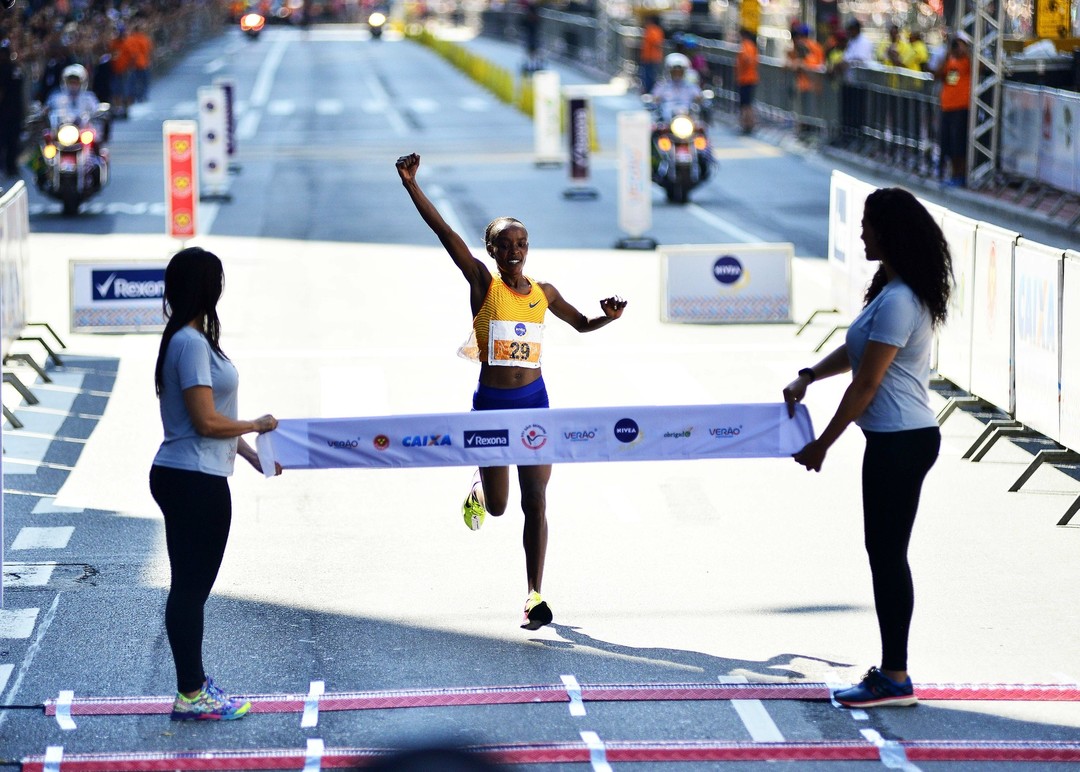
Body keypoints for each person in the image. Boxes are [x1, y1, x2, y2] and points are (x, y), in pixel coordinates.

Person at [395, 152, 627, 630]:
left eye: (522, 242)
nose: (516, 250)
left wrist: (609, 317)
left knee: (536, 500)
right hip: (491, 408)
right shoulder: (484, 284)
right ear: (493, 251)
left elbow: (582, 324)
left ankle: (534, 595)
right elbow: (446, 235)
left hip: (535, 405)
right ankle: (481, 487)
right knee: (500, 508)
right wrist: (412, 186)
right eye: (506, 245)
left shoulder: (545, 292)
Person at [782, 187, 952, 709]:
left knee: (887, 556)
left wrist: (822, 444)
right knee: (884, 553)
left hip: (901, 442)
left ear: (890, 232)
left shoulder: (901, 299)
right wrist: (810, 374)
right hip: (898, 440)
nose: (861, 233)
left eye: (868, 224)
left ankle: (895, 677)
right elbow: (857, 351)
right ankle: (893, 672)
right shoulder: (892, 290)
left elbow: (866, 385)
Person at [150, 246, 282, 721]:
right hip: (192, 478)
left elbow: (209, 419)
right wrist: (256, 425)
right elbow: (207, 422)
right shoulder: (188, 342)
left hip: (194, 472)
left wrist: (249, 454)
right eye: (216, 280)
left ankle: (193, 686)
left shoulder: (193, 338)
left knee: (190, 586)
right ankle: (191, 692)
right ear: (205, 287)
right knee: (190, 588)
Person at [935, 31, 971, 187]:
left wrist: (966, 52)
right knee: (947, 143)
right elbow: (937, 74)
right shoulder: (949, 60)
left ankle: (960, 175)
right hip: (946, 107)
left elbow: (980, 68)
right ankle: (949, 173)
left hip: (961, 107)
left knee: (958, 144)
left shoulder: (967, 61)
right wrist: (948, 54)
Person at [785, 24, 824, 136]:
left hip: (809, 84)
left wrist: (798, 64)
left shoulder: (807, 47)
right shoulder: (815, 46)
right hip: (809, 84)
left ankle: (808, 133)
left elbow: (808, 64)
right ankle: (806, 132)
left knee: (808, 113)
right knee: (807, 112)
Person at [650, 52, 702, 120]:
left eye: (680, 71)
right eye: (674, 71)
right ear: (669, 71)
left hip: (686, 116)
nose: (677, 73)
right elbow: (655, 97)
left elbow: (698, 96)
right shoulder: (663, 85)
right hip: (667, 117)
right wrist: (655, 99)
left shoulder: (690, 86)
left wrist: (700, 99)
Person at [735, 27, 759, 135]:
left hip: (746, 79)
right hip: (747, 78)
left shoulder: (746, 46)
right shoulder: (750, 45)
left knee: (746, 104)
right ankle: (747, 124)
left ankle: (748, 124)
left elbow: (748, 59)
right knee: (746, 104)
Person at [639, 14, 664, 95]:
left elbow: (656, 42)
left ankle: (649, 91)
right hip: (650, 57)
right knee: (648, 75)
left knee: (649, 76)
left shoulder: (652, 29)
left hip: (651, 57)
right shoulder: (656, 30)